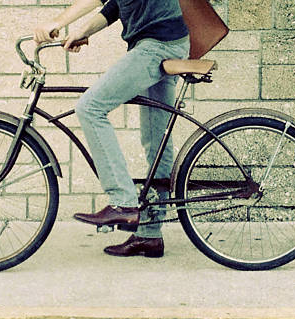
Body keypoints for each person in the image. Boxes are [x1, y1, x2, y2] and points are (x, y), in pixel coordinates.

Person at [34, 0, 189, 258]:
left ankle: (123, 202)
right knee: (156, 140)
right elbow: (114, 7)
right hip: (166, 41)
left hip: (157, 46)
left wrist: (58, 22)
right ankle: (149, 236)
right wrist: (83, 31)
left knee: (90, 107)